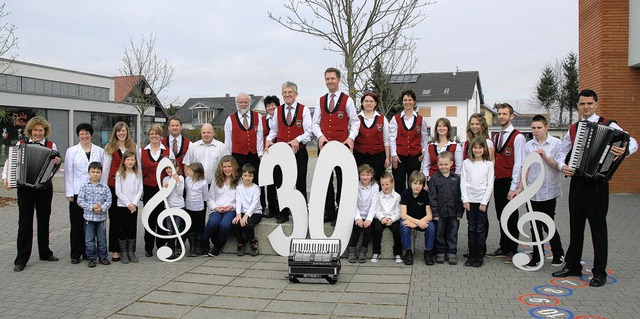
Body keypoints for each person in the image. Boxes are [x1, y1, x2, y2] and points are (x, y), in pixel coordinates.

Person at [552, 89, 637, 287]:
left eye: (589, 103)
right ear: (578, 106)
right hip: (578, 182)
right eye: (582, 104)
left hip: (598, 184)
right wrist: (561, 165)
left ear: (596, 104)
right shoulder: (573, 129)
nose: (586, 107)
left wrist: (624, 150)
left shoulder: (609, 125)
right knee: (576, 226)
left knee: (598, 228)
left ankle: (599, 272)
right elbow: (561, 153)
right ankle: (573, 265)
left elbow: (632, 142)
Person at [3, 116, 61, 272]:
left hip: (43, 188)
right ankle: (21, 259)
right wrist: (6, 178)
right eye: (35, 130)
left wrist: (57, 162)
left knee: (44, 221)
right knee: (24, 223)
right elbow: (10, 162)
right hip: (25, 189)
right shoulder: (21, 144)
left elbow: (55, 165)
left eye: (41, 130)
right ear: (31, 130)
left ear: (45, 131)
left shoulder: (51, 144)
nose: (38, 133)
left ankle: (45, 253)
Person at [311, 67, 360, 226]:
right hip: (324, 145)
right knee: (325, 180)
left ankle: (341, 213)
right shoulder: (320, 100)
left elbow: (355, 122)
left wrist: (350, 138)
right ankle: (329, 212)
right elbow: (315, 123)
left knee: (341, 179)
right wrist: (320, 136)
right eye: (327, 79)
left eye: (332, 78)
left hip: (342, 145)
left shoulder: (348, 100)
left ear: (339, 80)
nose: (330, 81)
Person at [516, 115, 565, 268]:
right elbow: (525, 167)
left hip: (549, 191)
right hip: (532, 191)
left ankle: (558, 253)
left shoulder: (556, 144)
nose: (536, 131)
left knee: (547, 223)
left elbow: (559, 166)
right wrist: (520, 189)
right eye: (533, 128)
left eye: (539, 128)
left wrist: (545, 157)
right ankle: (537, 256)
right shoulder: (528, 145)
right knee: (534, 225)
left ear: (546, 127)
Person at [265, 82, 313, 223]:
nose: (287, 95)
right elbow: (273, 130)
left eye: (290, 92)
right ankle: (284, 212)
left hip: (300, 153)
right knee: (282, 183)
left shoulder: (303, 110)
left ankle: (302, 213)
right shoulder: (278, 110)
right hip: (282, 153)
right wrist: (268, 139)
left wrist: (297, 140)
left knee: (300, 182)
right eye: (285, 92)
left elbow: (308, 132)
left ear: (296, 94)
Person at [487, 103, 526, 263]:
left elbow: (519, 163)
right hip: (498, 180)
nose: (501, 116)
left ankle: (512, 249)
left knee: (512, 215)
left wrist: (514, 187)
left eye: (505, 114)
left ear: (512, 116)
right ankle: (504, 246)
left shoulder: (518, 137)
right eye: (499, 114)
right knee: (500, 214)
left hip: (510, 181)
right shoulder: (496, 136)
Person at [65, 123, 105, 264]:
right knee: (76, 224)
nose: (84, 136)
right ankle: (76, 253)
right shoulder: (71, 151)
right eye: (81, 134)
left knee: (91, 224)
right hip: (77, 192)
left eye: (87, 133)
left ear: (91, 135)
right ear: (78, 135)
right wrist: (69, 192)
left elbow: (103, 172)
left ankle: (89, 253)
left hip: (95, 192)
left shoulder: (99, 151)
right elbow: (69, 173)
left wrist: (103, 191)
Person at [101, 121, 138, 262]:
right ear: (115, 133)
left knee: (129, 220)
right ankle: (115, 250)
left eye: (124, 130)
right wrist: (104, 190)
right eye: (118, 131)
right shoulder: (110, 148)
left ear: (127, 132)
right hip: (113, 187)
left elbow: (136, 166)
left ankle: (129, 250)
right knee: (116, 220)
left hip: (129, 188)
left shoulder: (133, 147)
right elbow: (105, 169)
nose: (121, 133)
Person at [460, 137, 494, 267]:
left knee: (480, 228)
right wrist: (465, 200)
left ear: (484, 149)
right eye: (475, 148)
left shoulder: (488, 164)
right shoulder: (467, 163)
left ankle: (479, 256)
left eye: (480, 147)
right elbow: (463, 183)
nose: (477, 150)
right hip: (470, 200)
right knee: (471, 227)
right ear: (471, 149)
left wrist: (484, 202)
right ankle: (471, 255)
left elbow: (489, 185)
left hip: (481, 201)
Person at [139, 124, 170, 257]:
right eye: (151, 134)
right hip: (148, 187)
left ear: (161, 136)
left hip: (162, 189)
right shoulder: (142, 151)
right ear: (149, 136)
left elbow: (171, 169)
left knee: (161, 217)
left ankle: (161, 245)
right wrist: (141, 190)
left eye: (156, 134)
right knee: (149, 216)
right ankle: (148, 246)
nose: (154, 136)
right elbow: (139, 171)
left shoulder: (168, 151)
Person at [389, 90, 429, 194]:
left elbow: (424, 138)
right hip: (399, 156)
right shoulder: (396, 119)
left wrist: (424, 151)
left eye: (410, 100)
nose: (407, 102)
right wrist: (393, 154)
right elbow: (392, 138)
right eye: (405, 100)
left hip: (415, 156)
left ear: (414, 101)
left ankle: (412, 207)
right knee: (399, 183)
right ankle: (400, 207)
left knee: (414, 183)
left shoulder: (421, 120)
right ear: (402, 102)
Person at [428, 152, 464, 265]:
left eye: (446, 164)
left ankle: (451, 252)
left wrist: (459, 212)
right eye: (441, 164)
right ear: (437, 164)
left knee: (452, 232)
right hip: (440, 212)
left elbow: (460, 196)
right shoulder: (434, 179)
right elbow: (432, 197)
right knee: (439, 232)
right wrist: (435, 212)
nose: (444, 167)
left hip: (453, 212)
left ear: (451, 164)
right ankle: (440, 252)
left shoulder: (457, 179)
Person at [76, 162, 112, 268]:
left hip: (101, 218)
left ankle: (103, 257)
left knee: (101, 239)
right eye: (93, 172)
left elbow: (109, 200)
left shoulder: (104, 187)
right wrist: (92, 207)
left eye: (98, 172)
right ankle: (91, 258)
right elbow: (80, 201)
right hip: (89, 218)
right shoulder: (84, 186)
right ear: (89, 173)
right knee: (89, 239)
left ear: (101, 173)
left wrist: (102, 208)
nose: (95, 174)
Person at [203, 155, 239, 257]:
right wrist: (215, 208)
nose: (227, 169)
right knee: (212, 223)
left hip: (231, 209)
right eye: (224, 167)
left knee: (225, 225)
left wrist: (231, 206)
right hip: (217, 208)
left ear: (234, 167)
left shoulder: (239, 181)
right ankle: (204, 241)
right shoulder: (216, 180)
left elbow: (240, 200)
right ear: (221, 168)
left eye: (229, 166)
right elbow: (210, 198)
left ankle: (217, 246)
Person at [225, 92, 263, 185]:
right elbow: (228, 141)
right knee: (238, 183)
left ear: (249, 103)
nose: (243, 104)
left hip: (254, 156)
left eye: (245, 102)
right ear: (237, 103)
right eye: (240, 102)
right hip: (237, 157)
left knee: (257, 182)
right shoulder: (230, 119)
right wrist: (228, 159)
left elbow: (260, 138)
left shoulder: (258, 117)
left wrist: (260, 155)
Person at [354, 92, 390, 186]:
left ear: (375, 103)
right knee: (360, 180)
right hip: (360, 155)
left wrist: (387, 157)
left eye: (371, 101)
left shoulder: (382, 119)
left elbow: (386, 140)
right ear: (362, 103)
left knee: (377, 181)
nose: (368, 103)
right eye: (366, 101)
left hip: (377, 155)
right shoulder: (356, 119)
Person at [399, 170, 436, 266]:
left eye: (420, 184)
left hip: (422, 220)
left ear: (423, 185)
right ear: (410, 183)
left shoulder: (425, 194)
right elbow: (403, 215)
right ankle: (408, 252)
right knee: (404, 226)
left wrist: (418, 223)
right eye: (414, 183)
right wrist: (416, 222)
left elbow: (429, 216)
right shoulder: (405, 194)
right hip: (409, 220)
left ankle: (428, 252)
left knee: (431, 227)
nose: (417, 186)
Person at [114, 150, 143, 264]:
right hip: (123, 206)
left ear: (135, 161)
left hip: (133, 207)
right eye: (128, 159)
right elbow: (118, 191)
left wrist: (134, 203)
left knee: (132, 228)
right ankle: (124, 253)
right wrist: (128, 203)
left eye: (132, 159)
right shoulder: (119, 174)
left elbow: (140, 189)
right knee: (123, 229)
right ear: (124, 161)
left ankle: (131, 252)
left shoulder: (137, 174)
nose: (130, 162)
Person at [346, 164, 378, 263]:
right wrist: (358, 218)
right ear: (359, 175)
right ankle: (351, 251)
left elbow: (374, 204)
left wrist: (368, 219)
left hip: (369, 215)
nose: (365, 177)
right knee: (356, 229)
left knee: (368, 231)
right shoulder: (356, 185)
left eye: (368, 175)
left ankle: (363, 251)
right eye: (363, 175)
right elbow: (353, 203)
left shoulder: (375, 186)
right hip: (358, 214)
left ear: (372, 175)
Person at [370, 172, 402, 263]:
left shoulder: (397, 196)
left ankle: (397, 253)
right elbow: (376, 210)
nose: (385, 187)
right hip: (381, 218)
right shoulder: (378, 196)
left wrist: (392, 219)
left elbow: (398, 212)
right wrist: (382, 218)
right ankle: (376, 252)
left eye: (387, 184)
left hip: (393, 218)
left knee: (397, 230)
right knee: (376, 229)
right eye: (383, 185)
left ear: (392, 183)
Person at [232, 163, 263, 256]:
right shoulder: (239, 188)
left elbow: (254, 204)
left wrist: (246, 216)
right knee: (235, 224)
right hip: (242, 212)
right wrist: (238, 214)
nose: (247, 178)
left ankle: (253, 242)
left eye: (250, 175)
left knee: (248, 224)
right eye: (245, 175)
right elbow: (238, 201)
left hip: (255, 212)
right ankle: (240, 242)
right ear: (241, 176)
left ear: (253, 176)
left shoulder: (256, 188)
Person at [261, 95, 280, 218]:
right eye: (268, 106)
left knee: (281, 181)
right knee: (270, 183)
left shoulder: (283, 118)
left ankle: (284, 208)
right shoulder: (262, 120)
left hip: (282, 154)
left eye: (273, 105)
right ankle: (272, 208)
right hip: (268, 155)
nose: (271, 107)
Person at [184, 162, 208, 257]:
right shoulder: (187, 180)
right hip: (189, 206)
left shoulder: (203, 183)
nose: (188, 172)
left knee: (199, 227)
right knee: (190, 227)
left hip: (199, 207)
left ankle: (199, 247)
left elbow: (205, 195)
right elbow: (186, 190)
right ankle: (192, 247)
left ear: (197, 172)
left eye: (190, 170)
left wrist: (204, 205)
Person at [162, 159, 185, 258]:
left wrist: (177, 181)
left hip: (179, 207)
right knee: (169, 230)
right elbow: (164, 195)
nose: (168, 170)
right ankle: (170, 249)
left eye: (170, 168)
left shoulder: (180, 178)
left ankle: (178, 247)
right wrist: (165, 189)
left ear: (177, 168)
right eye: (167, 168)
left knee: (178, 228)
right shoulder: (165, 179)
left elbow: (180, 193)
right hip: (168, 208)